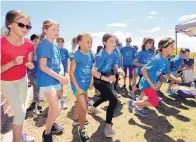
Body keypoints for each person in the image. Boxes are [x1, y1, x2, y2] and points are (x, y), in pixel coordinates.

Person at [1, 10, 35, 142]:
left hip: (22, 80)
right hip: (6, 82)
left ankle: (20, 134)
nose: (25, 29)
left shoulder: (29, 44)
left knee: (21, 110)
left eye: (28, 26)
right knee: (20, 112)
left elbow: (29, 61)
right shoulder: (1, 44)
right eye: (21, 25)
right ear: (9, 24)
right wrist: (13, 63)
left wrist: (29, 64)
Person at [128, 37, 182, 117]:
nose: (173, 48)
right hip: (147, 83)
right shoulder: (157, 59)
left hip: (151, 83)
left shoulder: (166, 60)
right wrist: (152, 84)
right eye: (171, 46)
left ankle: (138, 107)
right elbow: (143, 70)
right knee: (154, 103)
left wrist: (176, 79)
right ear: (164, 48)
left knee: (150, 99)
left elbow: (167, 74)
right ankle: (133, 103)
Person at [36, 19, 69, 142]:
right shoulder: (44, 44)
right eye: (53, 29)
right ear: (45, 31)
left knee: (53, 106)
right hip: (46, 80)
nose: (56, 32)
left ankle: (51, 124)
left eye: (57, 29)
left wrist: (62, 75)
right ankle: (47, 133)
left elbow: (58, 63)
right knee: (57, 107)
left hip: (55, 80)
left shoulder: (55, 45)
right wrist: (60, 78)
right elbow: (43, 66)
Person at [89, 33, 124, 137]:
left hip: (108, 78)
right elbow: (93, 71)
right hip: (99, 80)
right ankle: (108, 126)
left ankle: (92, 108)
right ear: (104, 43)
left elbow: (116, 67)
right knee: (113, 100)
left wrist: (120, 70)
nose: (114, 43)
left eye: (115, 41)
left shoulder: (114, 54)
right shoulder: (101, 55)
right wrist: (107, 78)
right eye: (111, 41)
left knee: (105, 97)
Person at [69, 33, 94, 142]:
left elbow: (91, 68)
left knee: (79, 103)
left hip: (85, 84)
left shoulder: (90, 54)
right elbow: (71, 72)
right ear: (79, 43)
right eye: (87, 42)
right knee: (84, 108)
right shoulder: (76, 55)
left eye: (91, 42)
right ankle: (82, 129)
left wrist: (91, 79)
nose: (90, 44)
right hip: (77, 86)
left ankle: (75, 119)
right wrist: (77, 88)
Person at [27, 34, 43, 114]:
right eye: (35, 41)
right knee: (36, 87)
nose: (37, 43)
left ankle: (35, 101)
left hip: (38, 71)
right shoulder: (30, 49)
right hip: (31, 72)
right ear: (31, 41)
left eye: (38, 41)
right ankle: (38, 105)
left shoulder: (39, 50)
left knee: (37, 88)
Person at [56, 36, 69, 109]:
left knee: (61, 84)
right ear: (57, 42)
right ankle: (60, 99)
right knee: (58, 85)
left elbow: (67, 59)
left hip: (63, 70)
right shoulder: (55, 50)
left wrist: (66, 68)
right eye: (59, 42)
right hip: (57, 70)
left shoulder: (65, 50)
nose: (60, 43)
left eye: (62, 42)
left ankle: (61, 95)